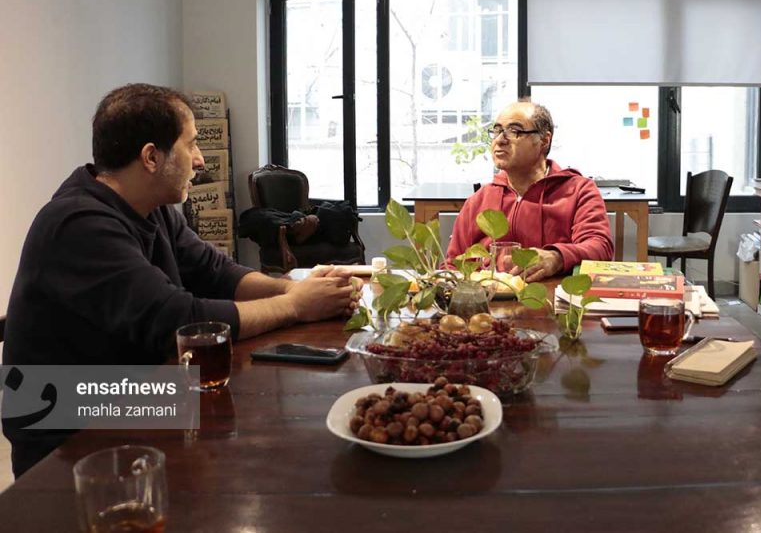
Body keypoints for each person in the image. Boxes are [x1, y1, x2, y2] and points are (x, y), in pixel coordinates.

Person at [2, 84, 358, 477]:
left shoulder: (151, 208)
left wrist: (295, 288)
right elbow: (179, 321)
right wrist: (295, 306)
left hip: (133, 396)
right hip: (70, 424)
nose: (200, 159)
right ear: (151, 157)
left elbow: (216, 272)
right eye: (191, 145)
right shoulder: (78, 224)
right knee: (256, 450)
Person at [445, 100, 613, 281]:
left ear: (544, 140)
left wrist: (556, 257)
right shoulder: (479, 200)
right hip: (489, 297)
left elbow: (600, 247)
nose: (500, 140)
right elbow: (453, 266)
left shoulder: (579, 190)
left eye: (514, 131)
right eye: (497, 131)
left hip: (553, 297)